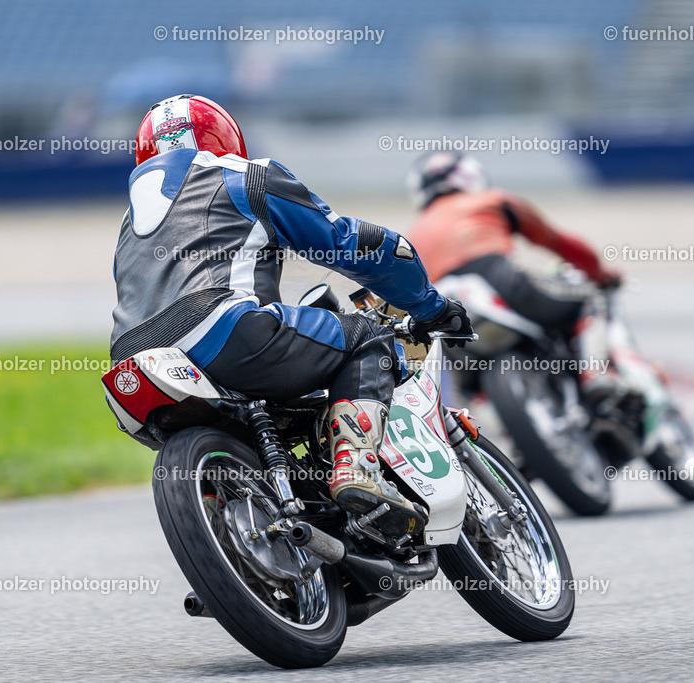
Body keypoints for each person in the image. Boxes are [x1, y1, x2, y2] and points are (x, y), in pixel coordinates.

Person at [111, 94, 472, 537]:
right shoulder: (245, 176)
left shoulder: (129, 227)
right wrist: (430, 307)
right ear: (224, 138)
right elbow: (351, 245)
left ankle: (247, 541)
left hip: (130, 368)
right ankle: (356, 470)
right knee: (367, 338)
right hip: (224, 330)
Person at [406, 152, 621, 386]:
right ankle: (596, 377)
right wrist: (600, 275)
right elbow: (560, 243)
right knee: (590, 298)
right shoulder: (491, 199)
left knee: (467, 385)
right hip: (495, 276)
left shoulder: (413, 233)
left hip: (438, 308)